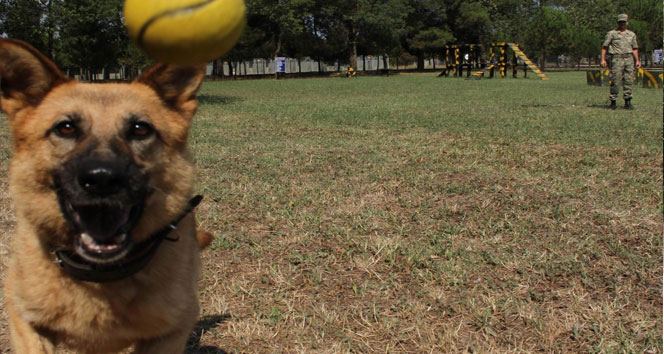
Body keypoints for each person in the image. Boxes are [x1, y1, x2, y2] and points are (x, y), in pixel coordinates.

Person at [600, 14, 641, 110]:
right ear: (617, 22)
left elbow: (634, 48)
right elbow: (604, 47)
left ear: (627, 22)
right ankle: (613, 101)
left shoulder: (631, 34)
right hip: (616, 58)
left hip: (629, 58)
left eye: (624, 21)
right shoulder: (612, 33)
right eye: (620, 22)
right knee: (615, 80)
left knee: (629, 80)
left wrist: (637, 60)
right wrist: (602, 59)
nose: (622, 24)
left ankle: (628, 101)